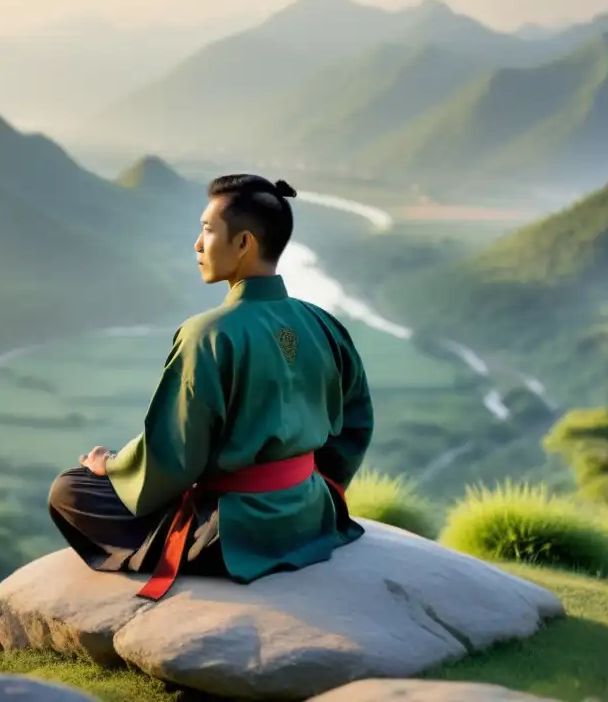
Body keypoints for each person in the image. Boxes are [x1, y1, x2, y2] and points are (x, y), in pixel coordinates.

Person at [48, 173, 374, 600]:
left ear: (243, 244)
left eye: (206, 230)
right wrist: (306, 490)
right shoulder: (322, 323)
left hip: (236, 530)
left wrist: (110, 464)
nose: (197, 245)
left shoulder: (207, 335)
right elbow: (356, 424)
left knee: (70, 489)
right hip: (310, 512)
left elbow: (175, 457)